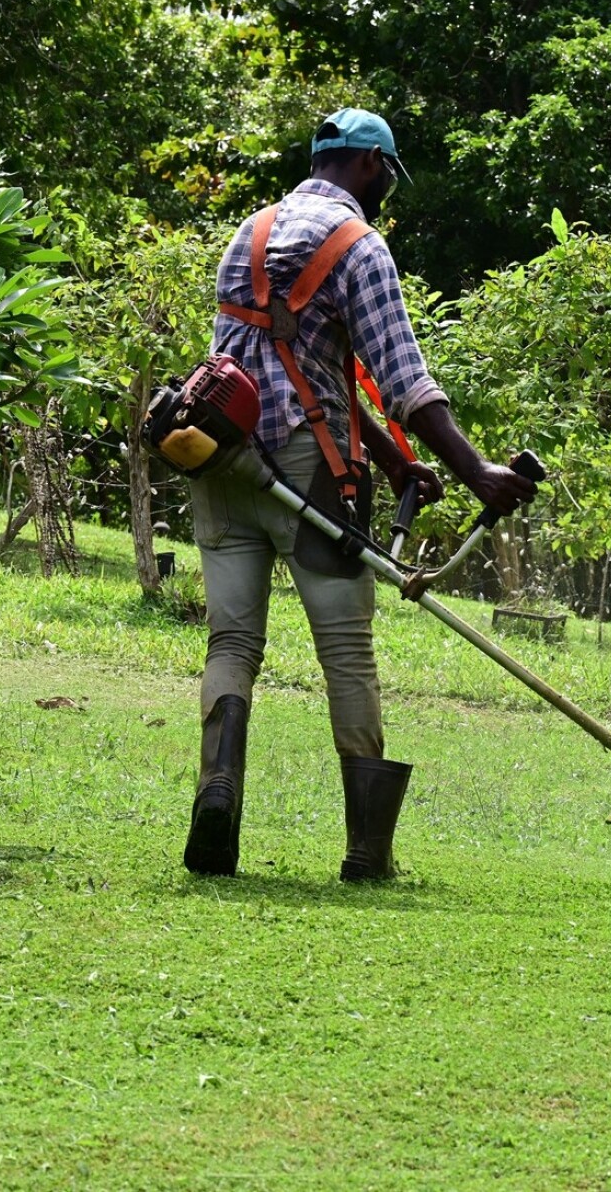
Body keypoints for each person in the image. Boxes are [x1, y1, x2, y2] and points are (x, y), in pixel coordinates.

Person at [184, 107, 537, 883]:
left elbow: (283, 363)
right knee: (346, 652)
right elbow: (405, 380)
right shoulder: (357, 246)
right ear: (372, 167)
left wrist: (396, 460)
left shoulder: (249, 232)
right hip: (306, 474)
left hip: (221, 460)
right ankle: (366, 851)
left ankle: (217, 791)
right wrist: (478, 470)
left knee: (232, 645)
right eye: (385, 179)